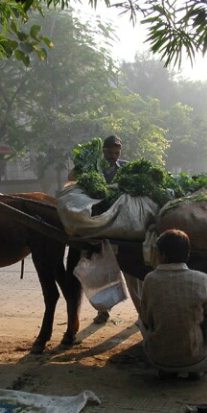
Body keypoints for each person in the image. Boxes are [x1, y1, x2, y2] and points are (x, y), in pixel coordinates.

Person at [138, 229, 207, 380]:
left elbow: (147, 322)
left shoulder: (150, 280)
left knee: (140, 320)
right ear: (187, 255)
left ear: (162, 255)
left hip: (159, 361)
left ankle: (169, 364)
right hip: (199, 361)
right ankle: (195, 368)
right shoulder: (203, 280)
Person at [72, 134, 128, 324]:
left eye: (116, 152)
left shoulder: (125, 168)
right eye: (110, 152)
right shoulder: (92, 169)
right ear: (103, 151)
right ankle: (103, 310)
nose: (113, 156)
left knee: (127, 269)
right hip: (96, 222)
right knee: (101, 270)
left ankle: (141, 310)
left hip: (119, 223)